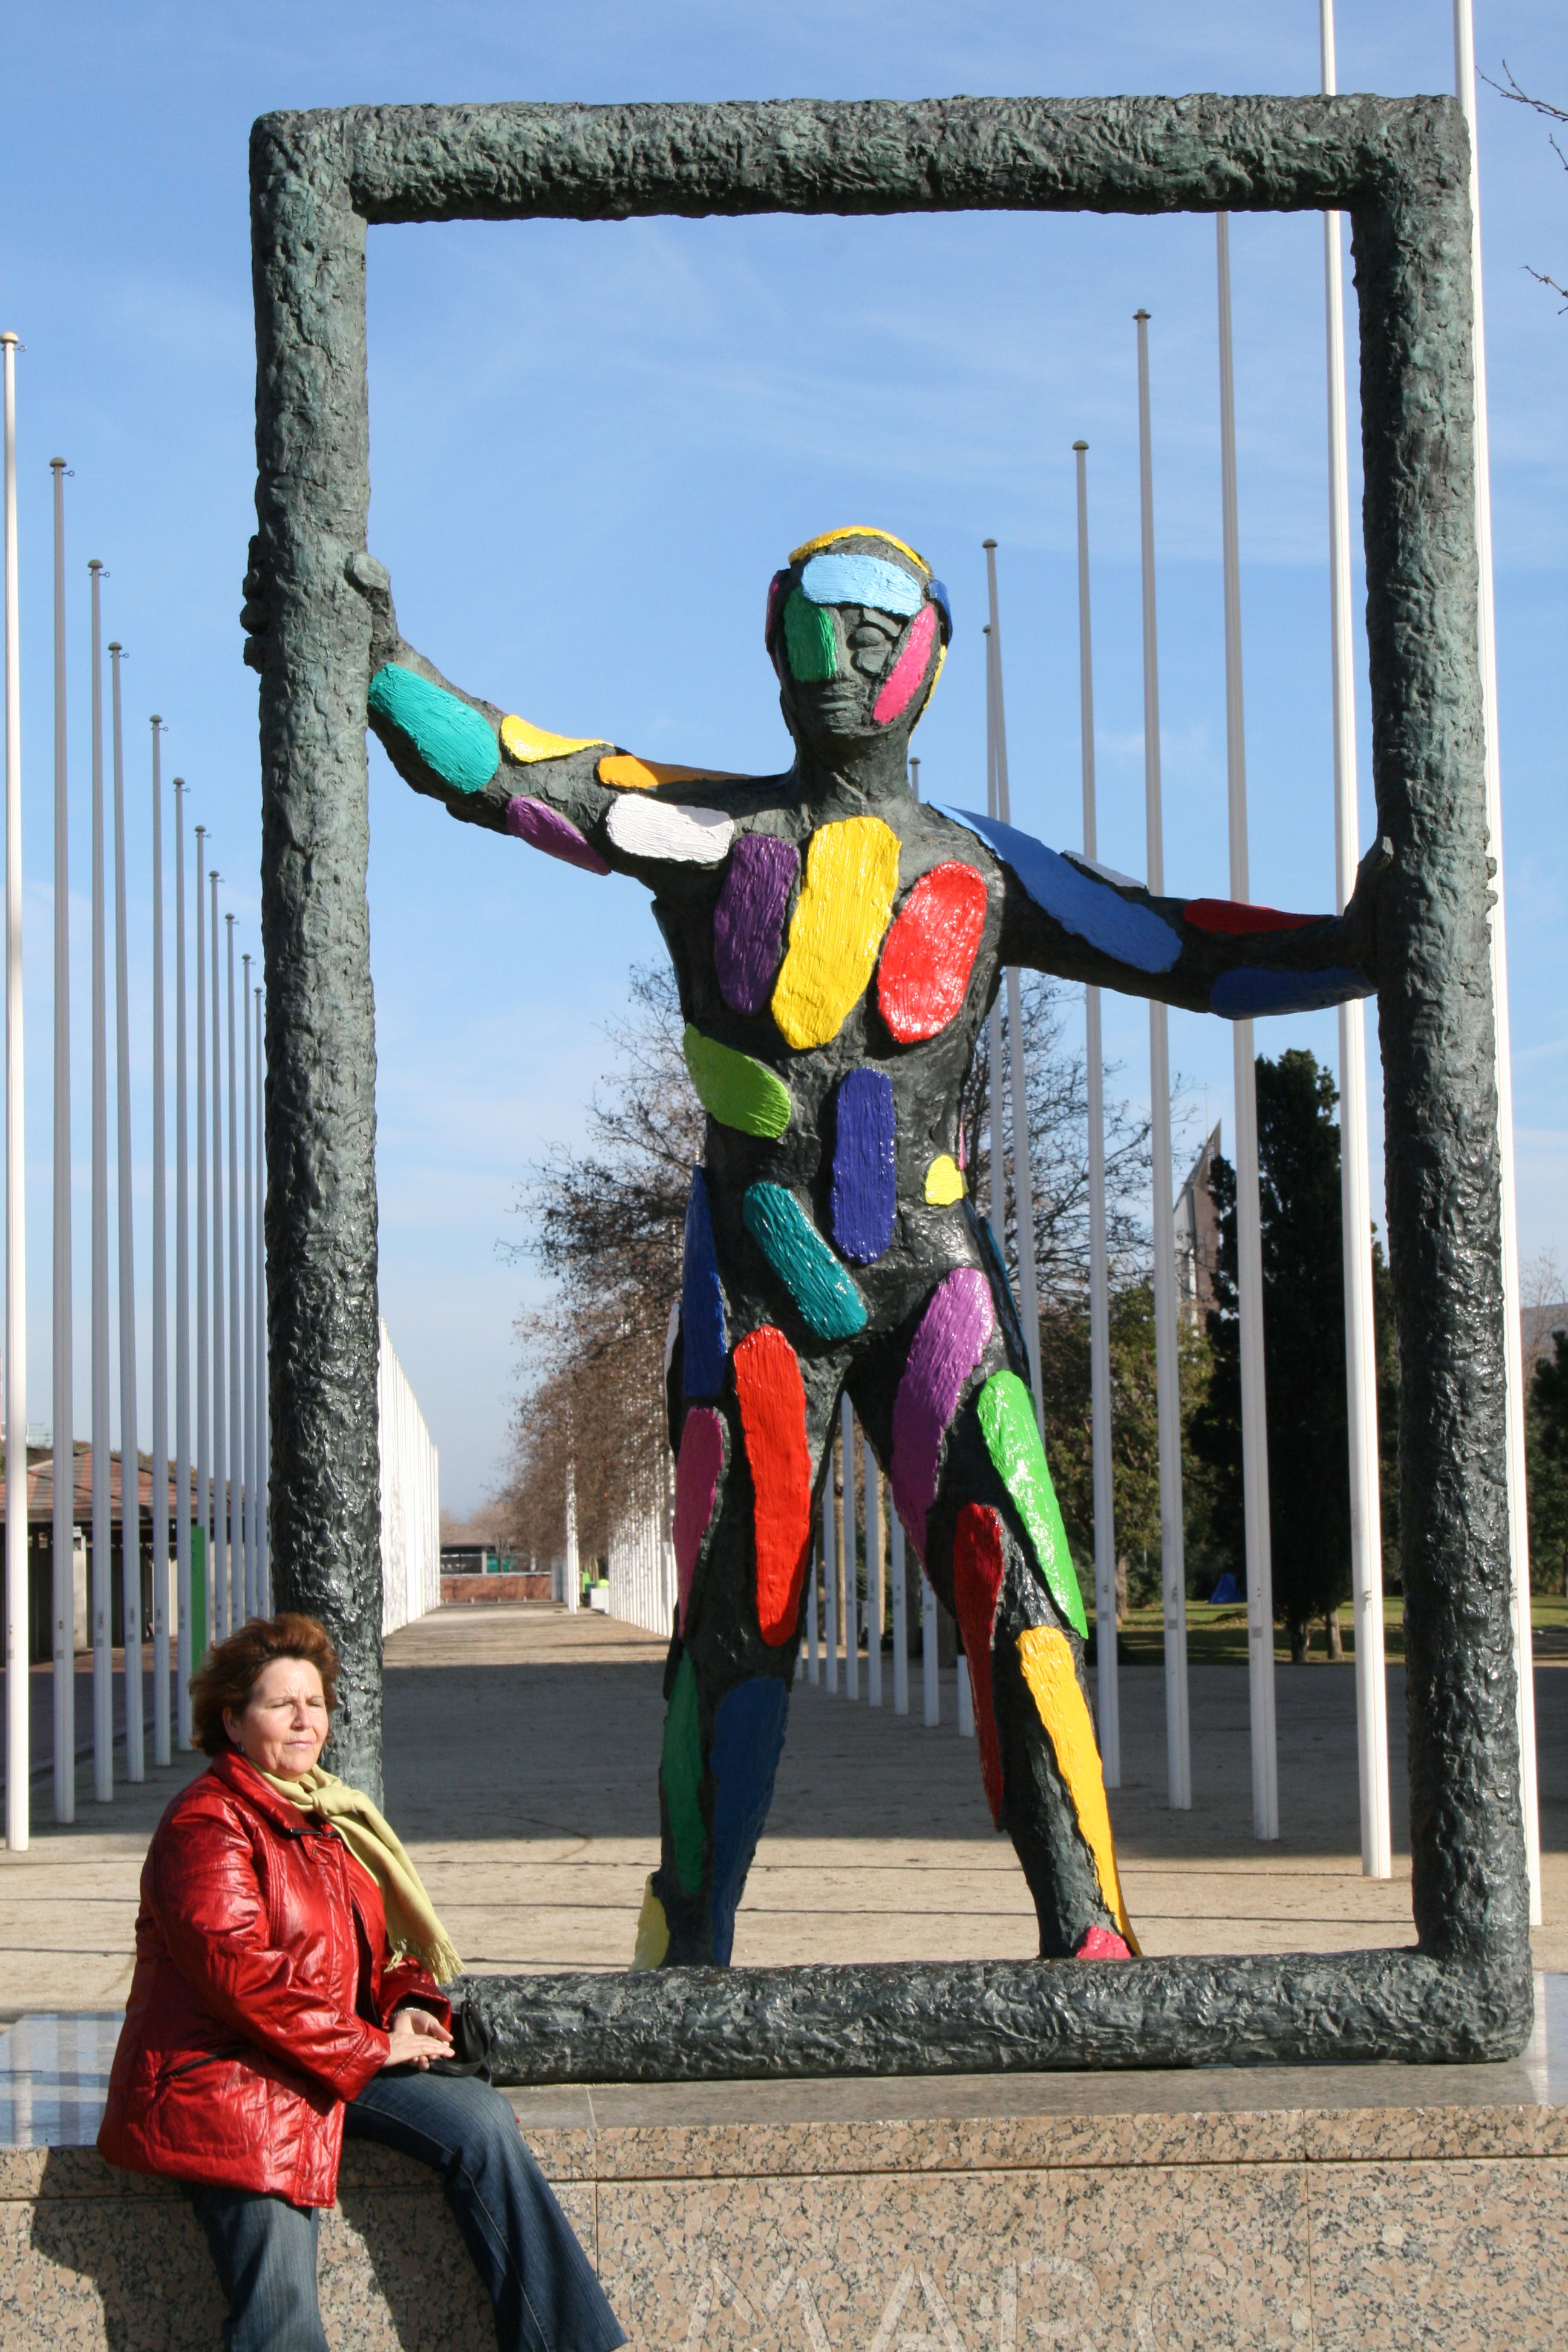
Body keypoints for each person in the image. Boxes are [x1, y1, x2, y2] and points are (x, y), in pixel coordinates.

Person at [330, 524, 1385, 1971]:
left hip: (933, 1272)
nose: (852, 659)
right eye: (824, 628)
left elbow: (1177, 948)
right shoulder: (713, 831)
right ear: (776, 641)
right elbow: (509, 772)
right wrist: (378, 665)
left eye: (883, 632)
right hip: (761, 1271)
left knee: (1020, 1587)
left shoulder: (982, 869)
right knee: (737, 1608)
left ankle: (1089, 1931)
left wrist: (1359, 942)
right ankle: (693, 1941)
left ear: (934, 655)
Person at [99, 1612, 625, 2352]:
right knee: (280, 2312)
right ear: (233, 1720)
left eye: (314, 1703)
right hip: (233, 2080)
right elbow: (241, 1976)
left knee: (481, 2125)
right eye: (281, 1704)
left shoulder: (323, 1818)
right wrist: (367, 2047)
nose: (304, 1720)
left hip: (328, 2054)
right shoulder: (207, 1824)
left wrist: (405, 2008)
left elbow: (373, 1953)